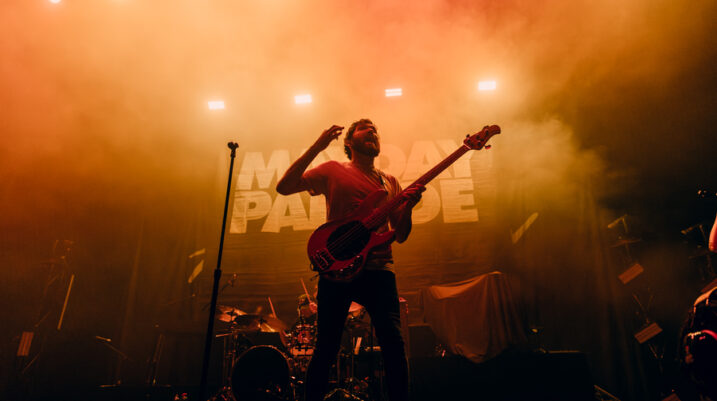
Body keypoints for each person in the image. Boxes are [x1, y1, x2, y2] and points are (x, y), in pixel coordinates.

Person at [276, 119, 424, 401]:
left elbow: (401, 235)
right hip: (337, 269)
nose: (373, 131)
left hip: (379, 269)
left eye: (376, 129)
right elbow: (284, 187)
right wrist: (318, 146)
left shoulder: (390, 182)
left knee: (394, 344)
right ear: (348, 141)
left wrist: (408, 209)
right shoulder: (334, 170)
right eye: (365, 127)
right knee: (326, 347)